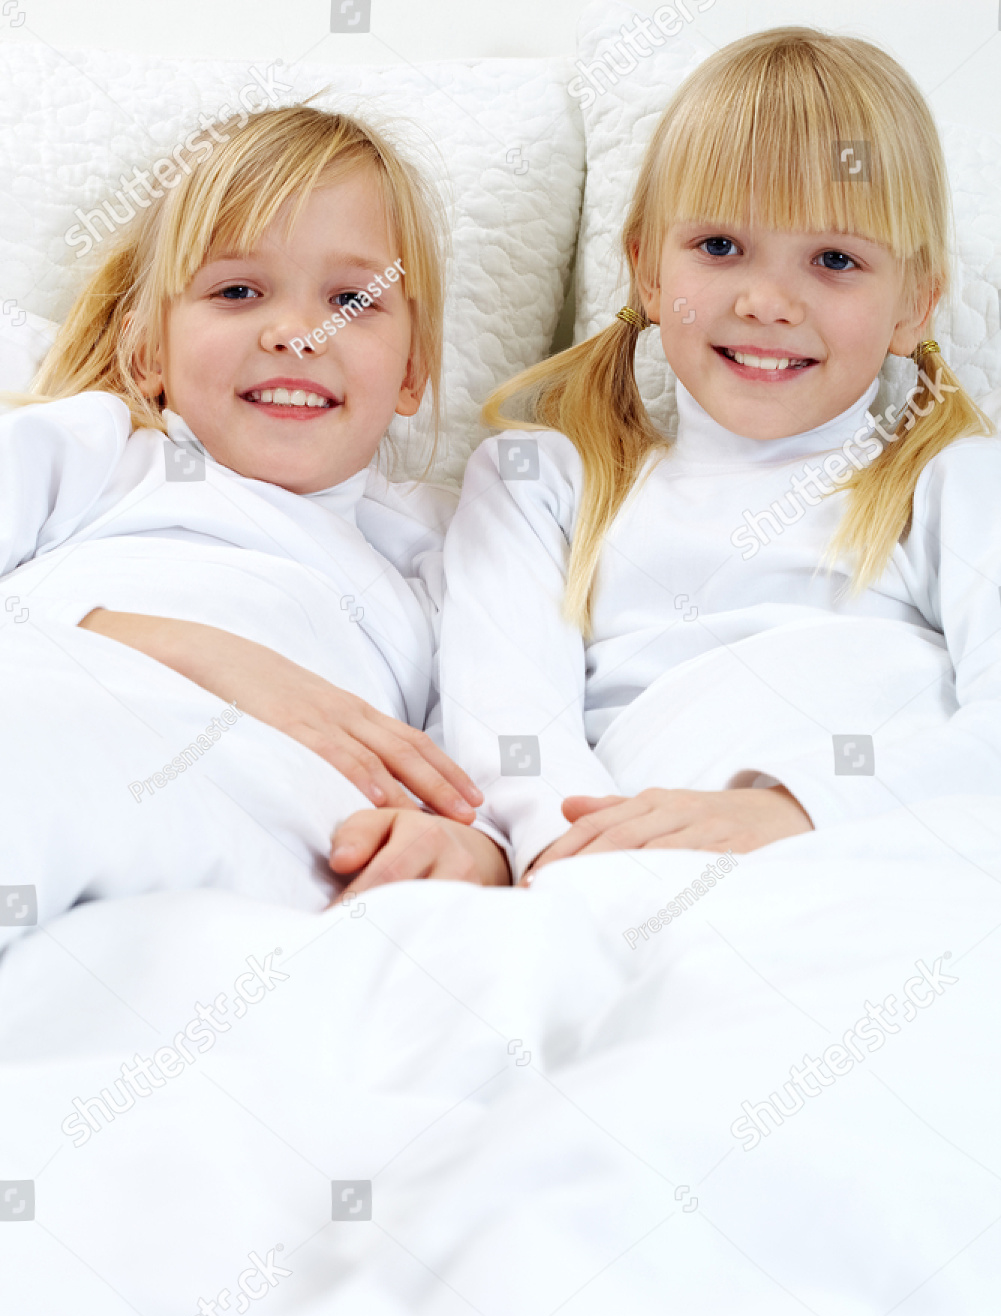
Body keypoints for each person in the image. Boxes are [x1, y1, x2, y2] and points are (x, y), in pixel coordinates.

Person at [399, 25, 1000, 890]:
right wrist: (584, 859)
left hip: (878, 857)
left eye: (835, 259)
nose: (764, 302)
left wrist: (792, 811)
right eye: (719, 248)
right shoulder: (542, 482)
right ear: (646, 272)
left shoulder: (954, 482)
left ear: (914, 305)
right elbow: (506, 728)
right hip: (629, 870)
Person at [0, 103, 510, 946]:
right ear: (149, 351)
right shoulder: (100, 453)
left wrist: (471, 847)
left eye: (353, 299)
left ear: (413, 369)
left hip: (276, 813)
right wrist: (195, 652)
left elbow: (499, 745)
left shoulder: (451, 546)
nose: (299, 333)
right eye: (237, 291)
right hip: (61, 694)